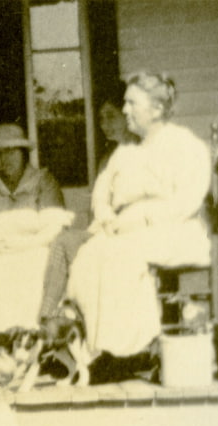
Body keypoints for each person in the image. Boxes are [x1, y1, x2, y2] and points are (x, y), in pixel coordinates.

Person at [65, 72, 212, 367]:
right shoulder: (127, 150)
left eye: (132, 103)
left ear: (156, 109)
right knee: (89, 254)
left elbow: (187, 201)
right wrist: (107, 218)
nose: (126, 110)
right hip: (129, 232)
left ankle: (130, 347)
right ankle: (101, 346)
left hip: (174, 230)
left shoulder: (184, 145)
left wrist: (140, 219)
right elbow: (103, 196)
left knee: (116, 253)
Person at [0, 123, 71, 338]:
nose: (4, 158)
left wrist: (27, 244)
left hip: (34, 247)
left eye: (10, 151)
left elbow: (55, 225)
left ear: (23, 152)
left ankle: (31, 337)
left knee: (41, 265)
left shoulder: (42, 181)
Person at [38, 91, 139, 323]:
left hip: (127, 234)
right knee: (62, 241)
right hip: (103, 231)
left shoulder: (139, 152)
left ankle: (53, 320)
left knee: (69, 248)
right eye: (101, 118)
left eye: (111, 116)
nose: (105, 124)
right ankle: (49, 319)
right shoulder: (108, 158)